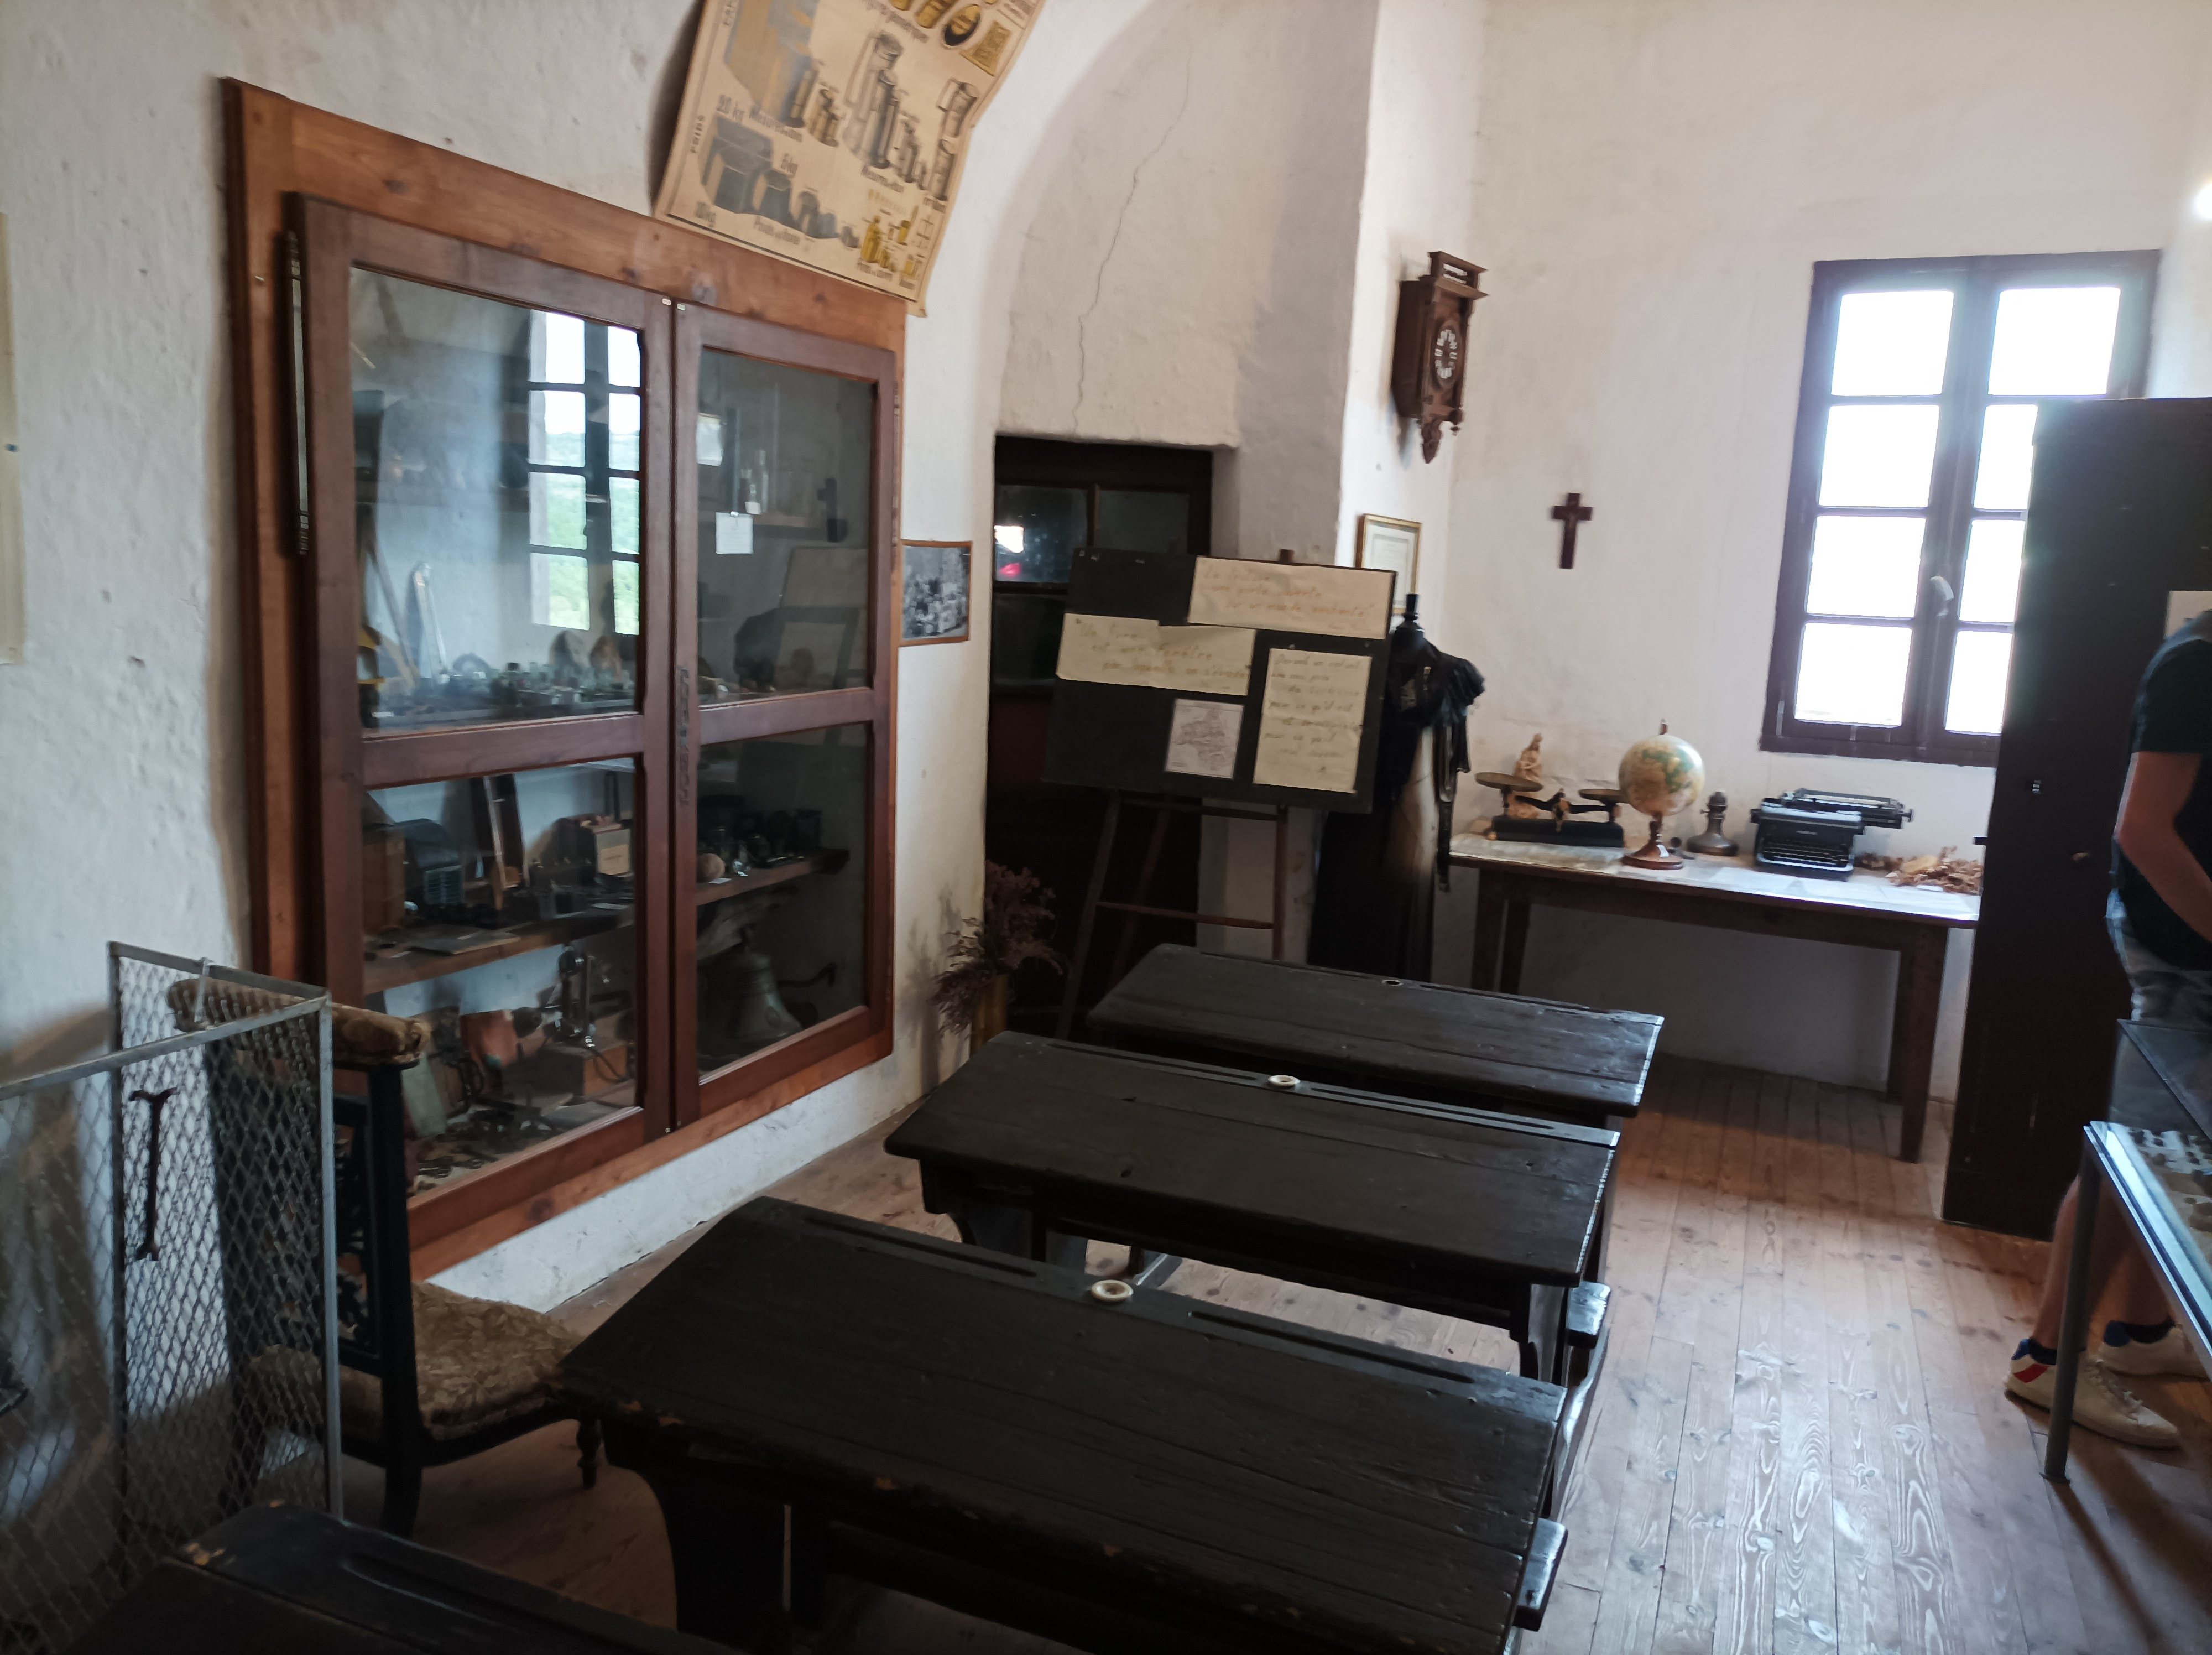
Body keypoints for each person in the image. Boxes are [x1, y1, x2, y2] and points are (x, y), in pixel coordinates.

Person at [2003, 612, 2212, 1446]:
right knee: (2136, 1160)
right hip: (2187, 959)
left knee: (2171, 1152)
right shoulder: (2198, 664)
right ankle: (2045, 1360)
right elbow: (2141, 828)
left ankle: (2142, 1333)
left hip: (2191, 954)